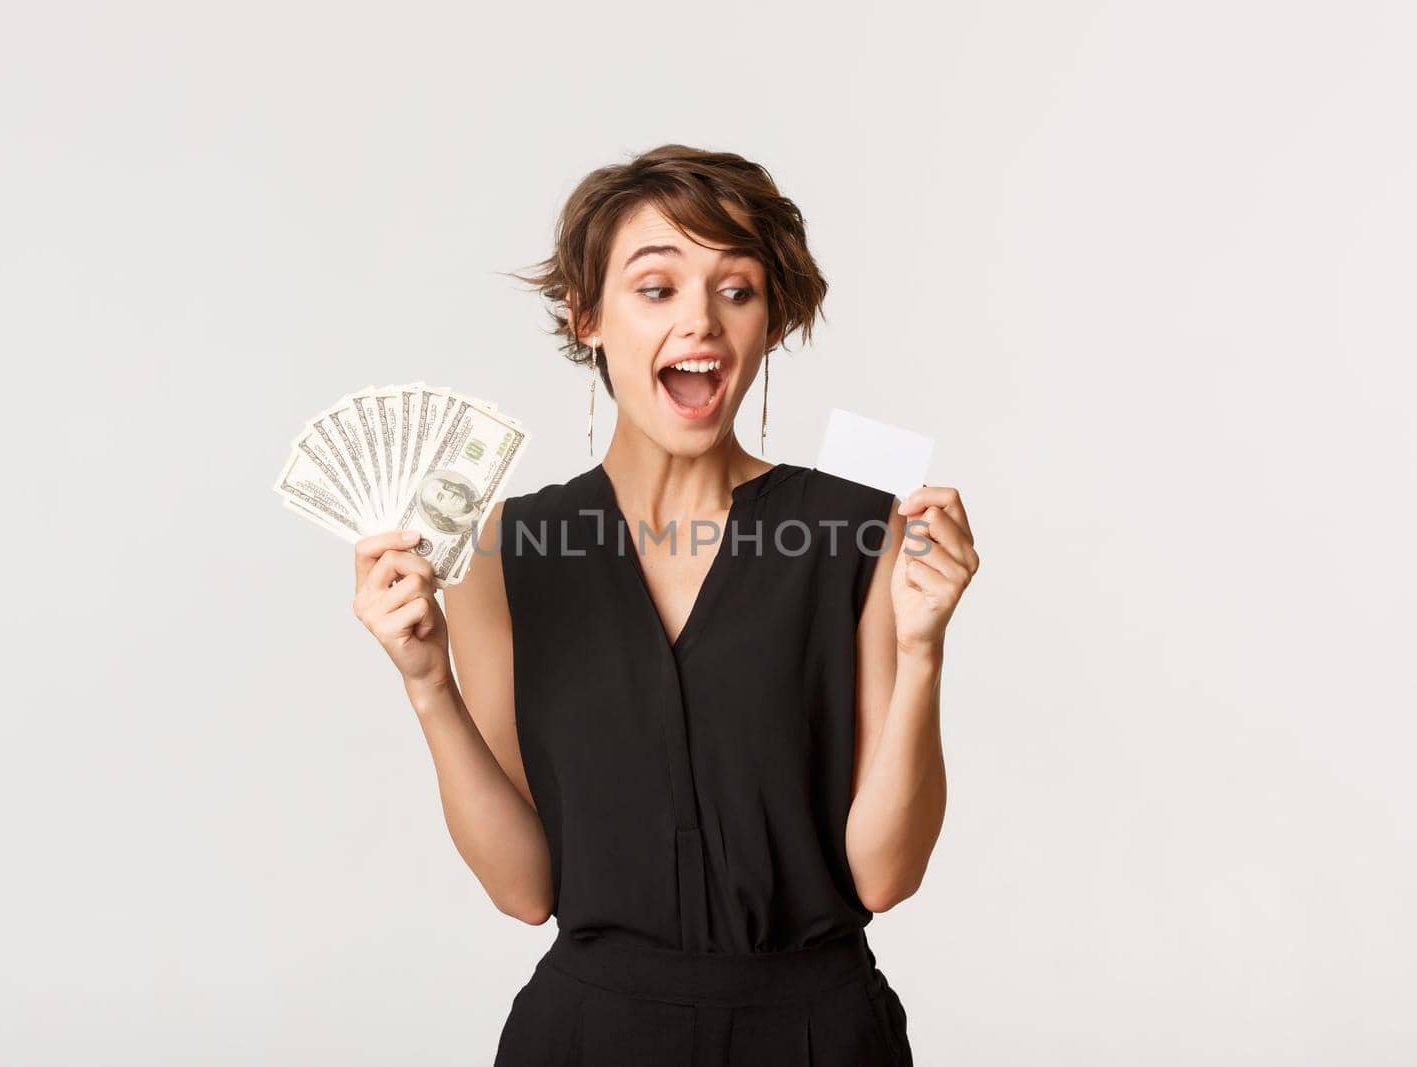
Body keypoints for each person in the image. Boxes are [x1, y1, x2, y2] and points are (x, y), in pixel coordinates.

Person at [351, 144, 979, 1066]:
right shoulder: (502, 551)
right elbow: (526, 891)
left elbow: (886, 875)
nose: (703, 323)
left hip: (814, 1035)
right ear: (588, 316)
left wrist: (923, 649)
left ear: (769, 324)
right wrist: (425, 684)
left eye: (737, 290)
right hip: (589, 1037)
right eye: (657, 289)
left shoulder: (857, 529)